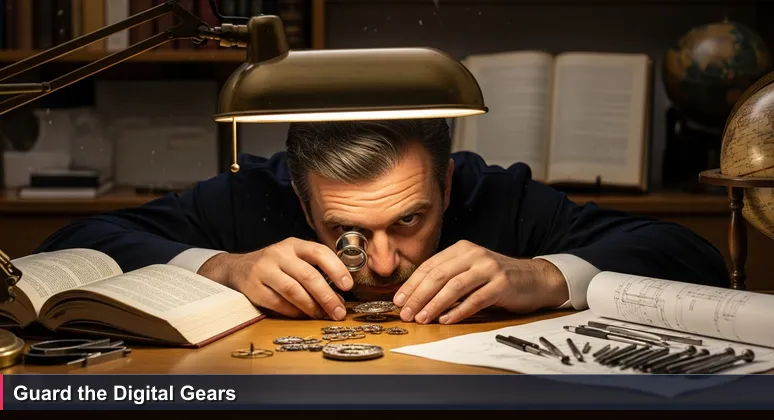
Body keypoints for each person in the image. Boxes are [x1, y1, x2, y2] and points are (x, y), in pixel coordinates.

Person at [34, 118, 729, 324]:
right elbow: (69, 247)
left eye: (413, 218)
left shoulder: (495, 198)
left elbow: (693, 258)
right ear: (300, 202)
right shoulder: (251, 198)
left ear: (449, 181)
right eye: (348, 229)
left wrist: (546, 276)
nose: (387, 263)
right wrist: (219, 266)